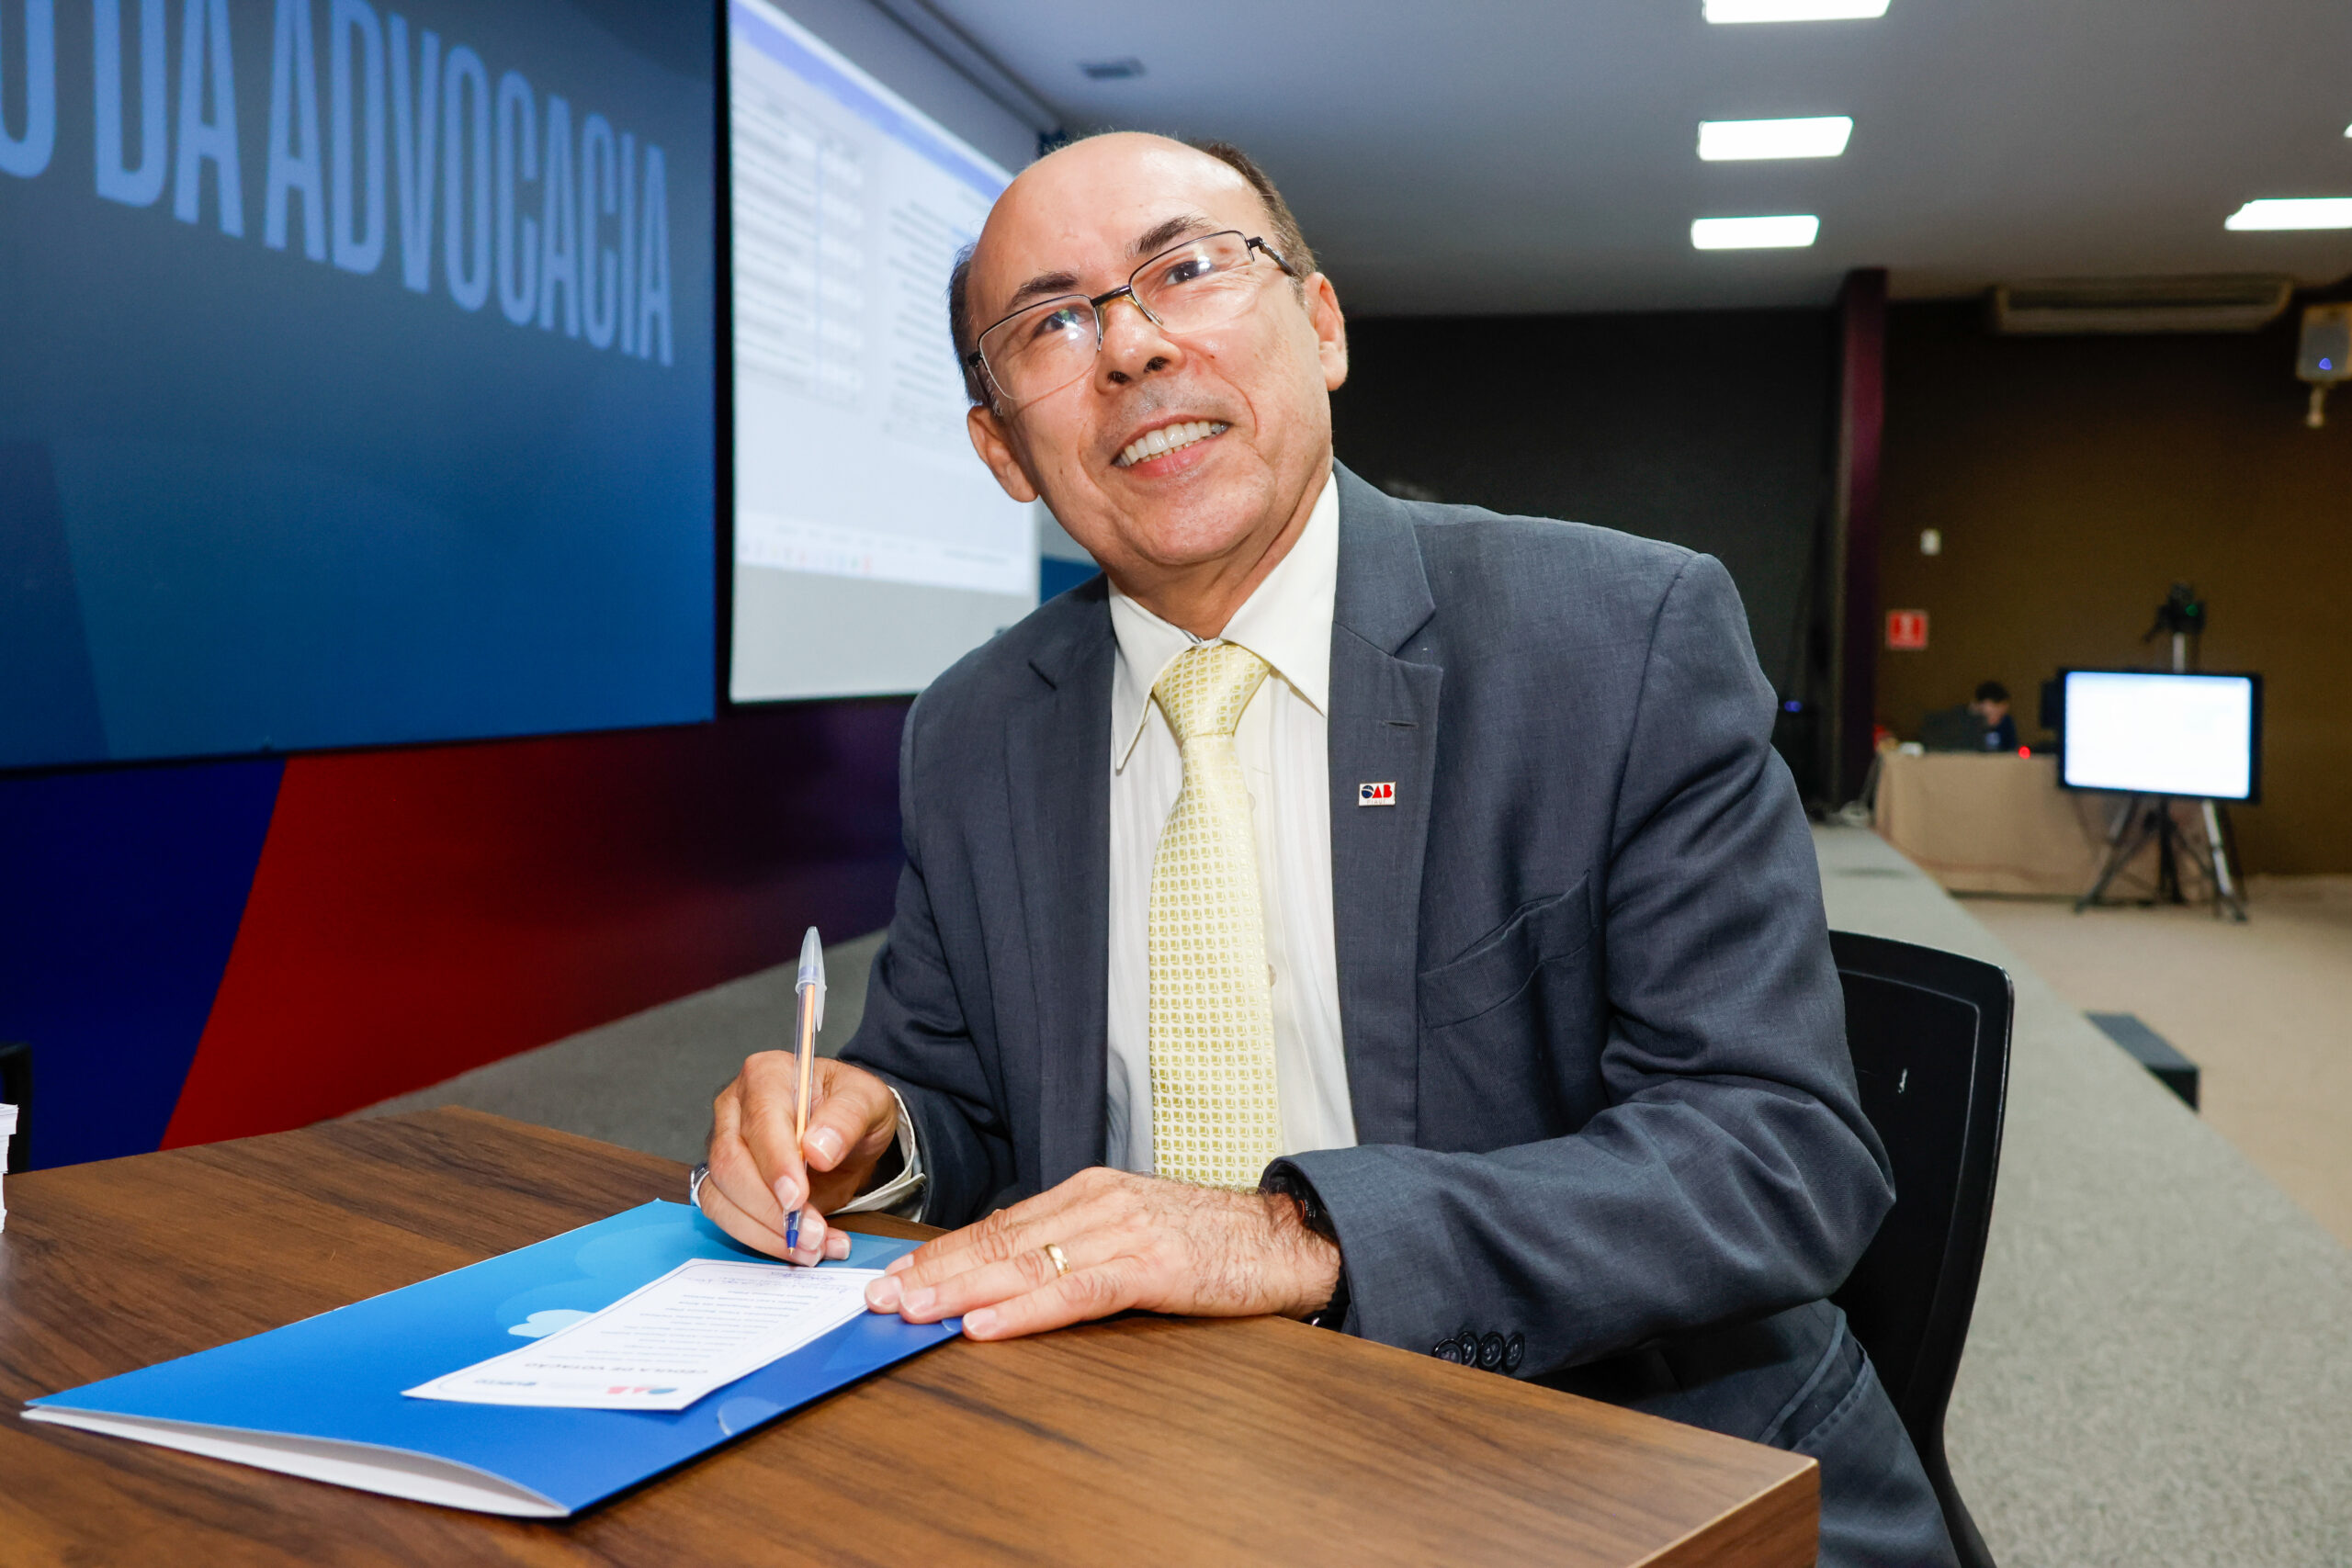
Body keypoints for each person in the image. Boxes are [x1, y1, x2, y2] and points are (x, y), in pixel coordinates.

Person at [699, 132, 1957, 1565]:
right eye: (1052, 323)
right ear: (1002, 449)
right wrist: (871, 1133)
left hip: (1599, 1446)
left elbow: (1774, 1151)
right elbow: (955, 1095)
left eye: (1187, 268)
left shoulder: (1618, 638)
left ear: (1322, 326)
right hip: (1141, 1450)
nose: (1133, 345)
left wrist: (1289, 1234)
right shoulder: (974, 727)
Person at [1971, 681, 2018, 751]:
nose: (1996, 719)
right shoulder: (1966, 725)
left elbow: (2012, 748)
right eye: (1991, 714)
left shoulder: (2006, 723)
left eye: (2000, 715)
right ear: (1976, 706)